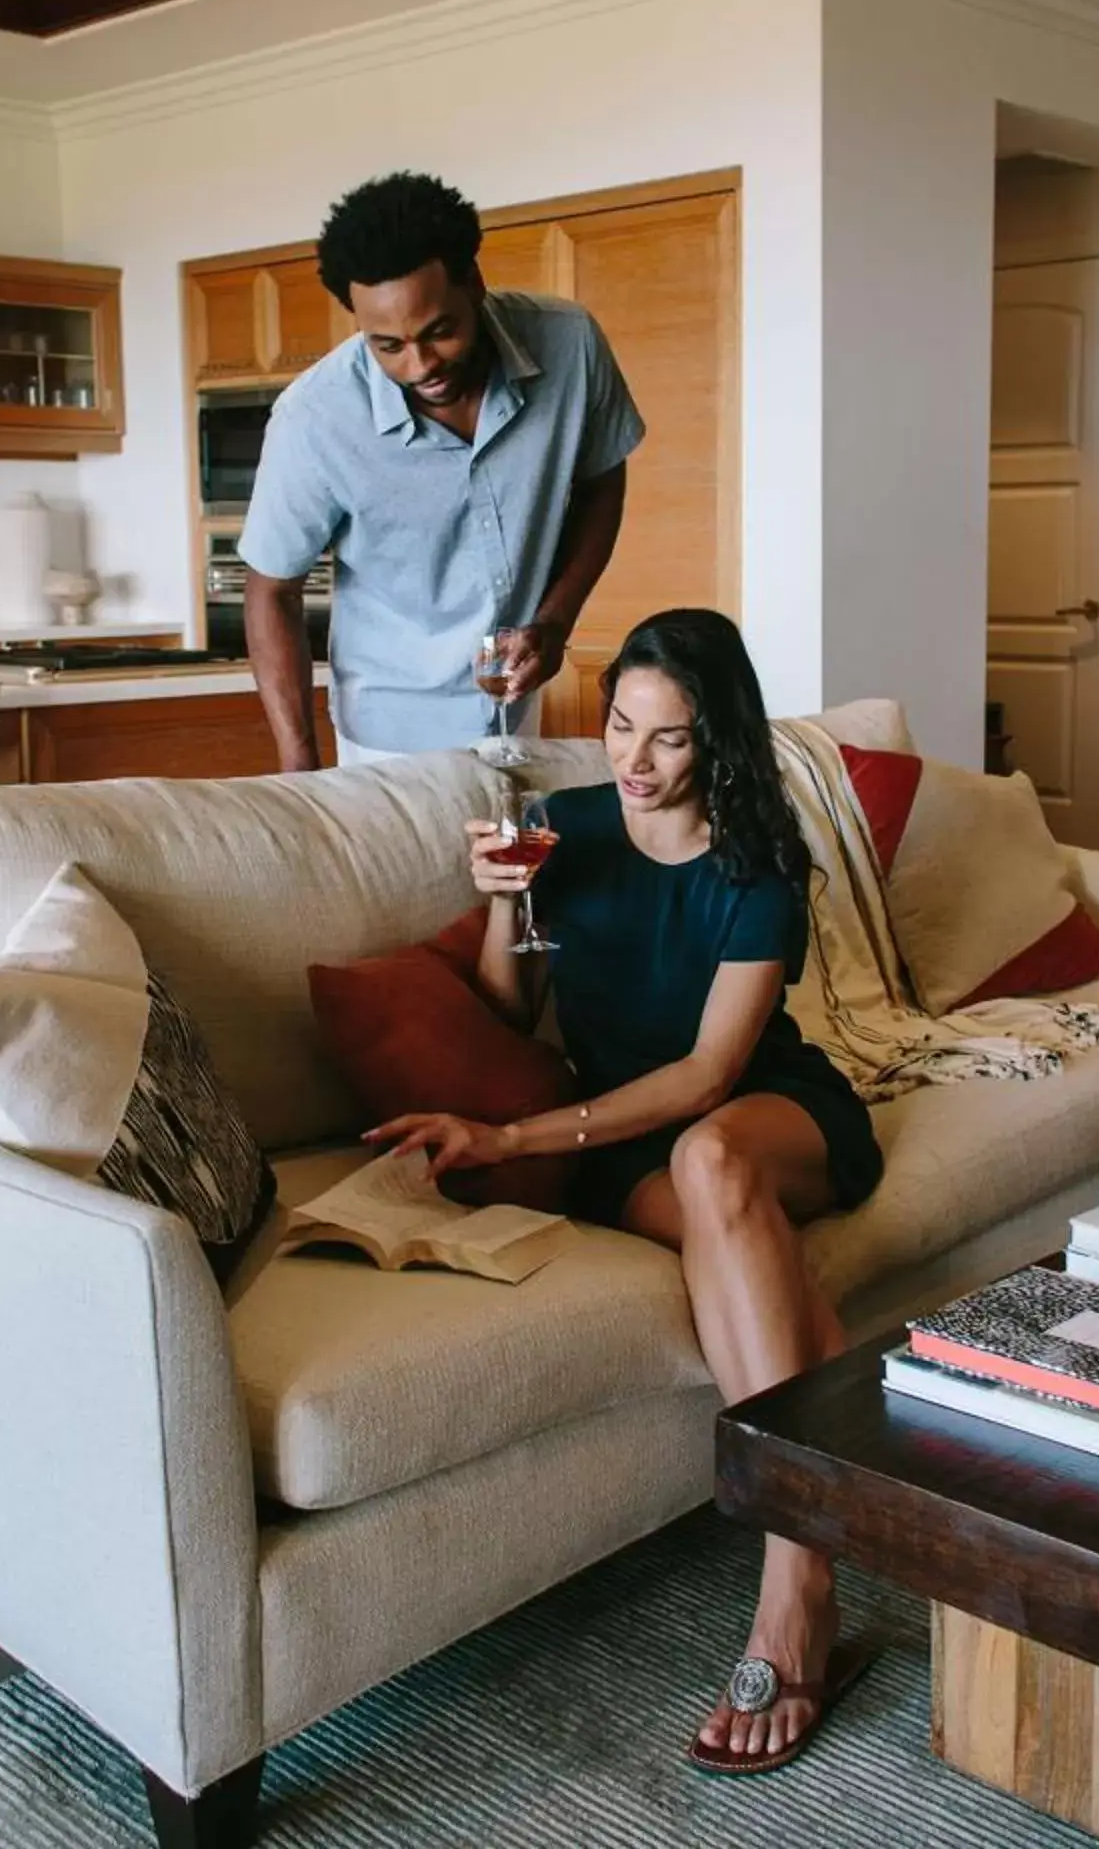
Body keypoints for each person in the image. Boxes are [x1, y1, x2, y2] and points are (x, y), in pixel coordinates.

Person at [368, 608, 884, 1774]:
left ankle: (793, 1580)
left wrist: (506, 1137)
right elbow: (511, 1013)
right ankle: (863, 1467)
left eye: (669, 740)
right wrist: (503, 898)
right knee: (745, 1252)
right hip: (622, 1148)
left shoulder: (760, 865)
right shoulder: (563, 824)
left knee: (716, 1164)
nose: (632, 762)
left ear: (723, 744)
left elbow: (709, 1075)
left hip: (768, 1112)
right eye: (617, 725)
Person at [240, 171, 642, 770]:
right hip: (386, 733)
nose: (420, 364)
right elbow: (272, 589)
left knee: (513, 866)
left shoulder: (570, 344)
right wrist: (300, 772)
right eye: (387, 346)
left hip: (513, 708)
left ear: (475, 283)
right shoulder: (315, 419)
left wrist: (556, 621)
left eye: (440, 331)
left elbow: (602, 479)